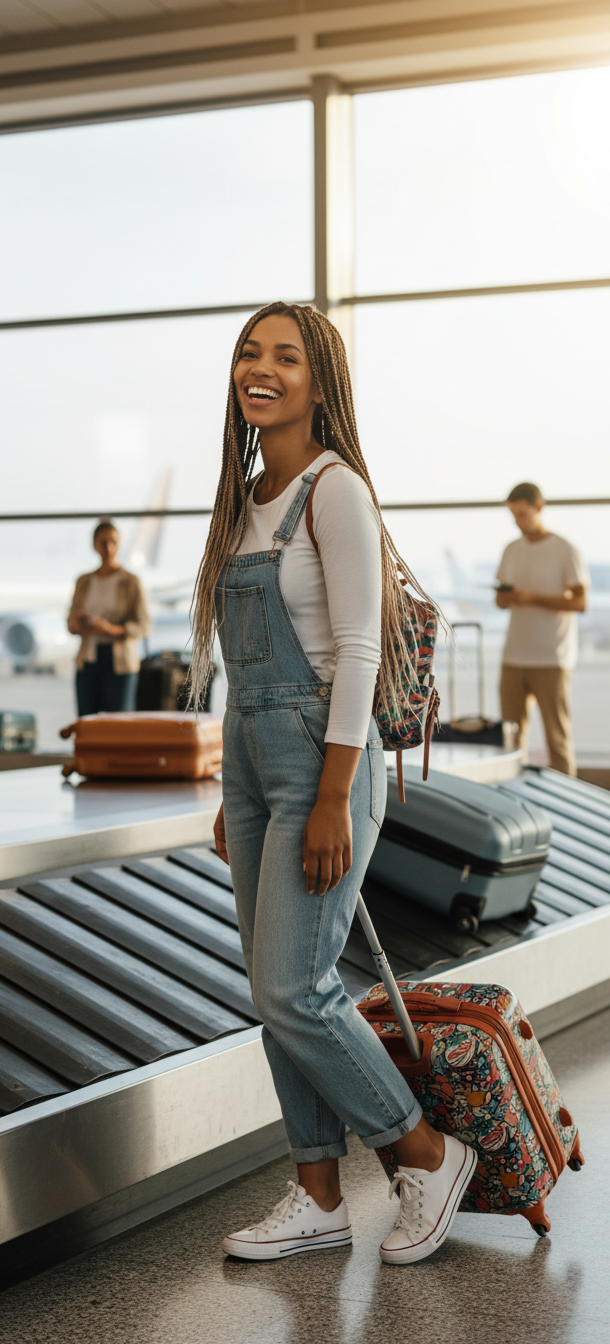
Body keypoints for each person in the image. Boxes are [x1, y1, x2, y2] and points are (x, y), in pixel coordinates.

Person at [188, 301, 477, 1266]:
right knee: (276, 994)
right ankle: (318, 1192)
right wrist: (239, 792)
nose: (259, 369)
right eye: (248, 353)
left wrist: (326, 798)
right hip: (251, 760)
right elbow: (239, 666)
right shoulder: (246, 496)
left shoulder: (333, 490)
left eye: (285, 357)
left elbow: (356, 650)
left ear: (321, 383)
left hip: (325, 760)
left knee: (296, 989)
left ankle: (425, 1153)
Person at [496, 483, 588, 777]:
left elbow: (580, 602)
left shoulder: (564, 549)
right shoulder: (511, 549)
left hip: (552, 657)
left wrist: (532, 598)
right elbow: (500, 601)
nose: (518, 521)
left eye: (522, 514)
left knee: (557, 739)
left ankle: (569, 801)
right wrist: (507, 597)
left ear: (539, 507)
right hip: (514, 656)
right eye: (514, 515)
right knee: (509, 739)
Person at [67, 520, 150, 715]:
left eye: (113, 542)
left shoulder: (130, 582)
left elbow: (143, 626)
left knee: (119, 725)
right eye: (103, 542)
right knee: (87, 722)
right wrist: (81, 623)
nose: (108, 548)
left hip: (119, 662)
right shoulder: (84, 581)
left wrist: (108, 629)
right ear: (94, 545)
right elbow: (70, 622)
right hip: (88, 659)